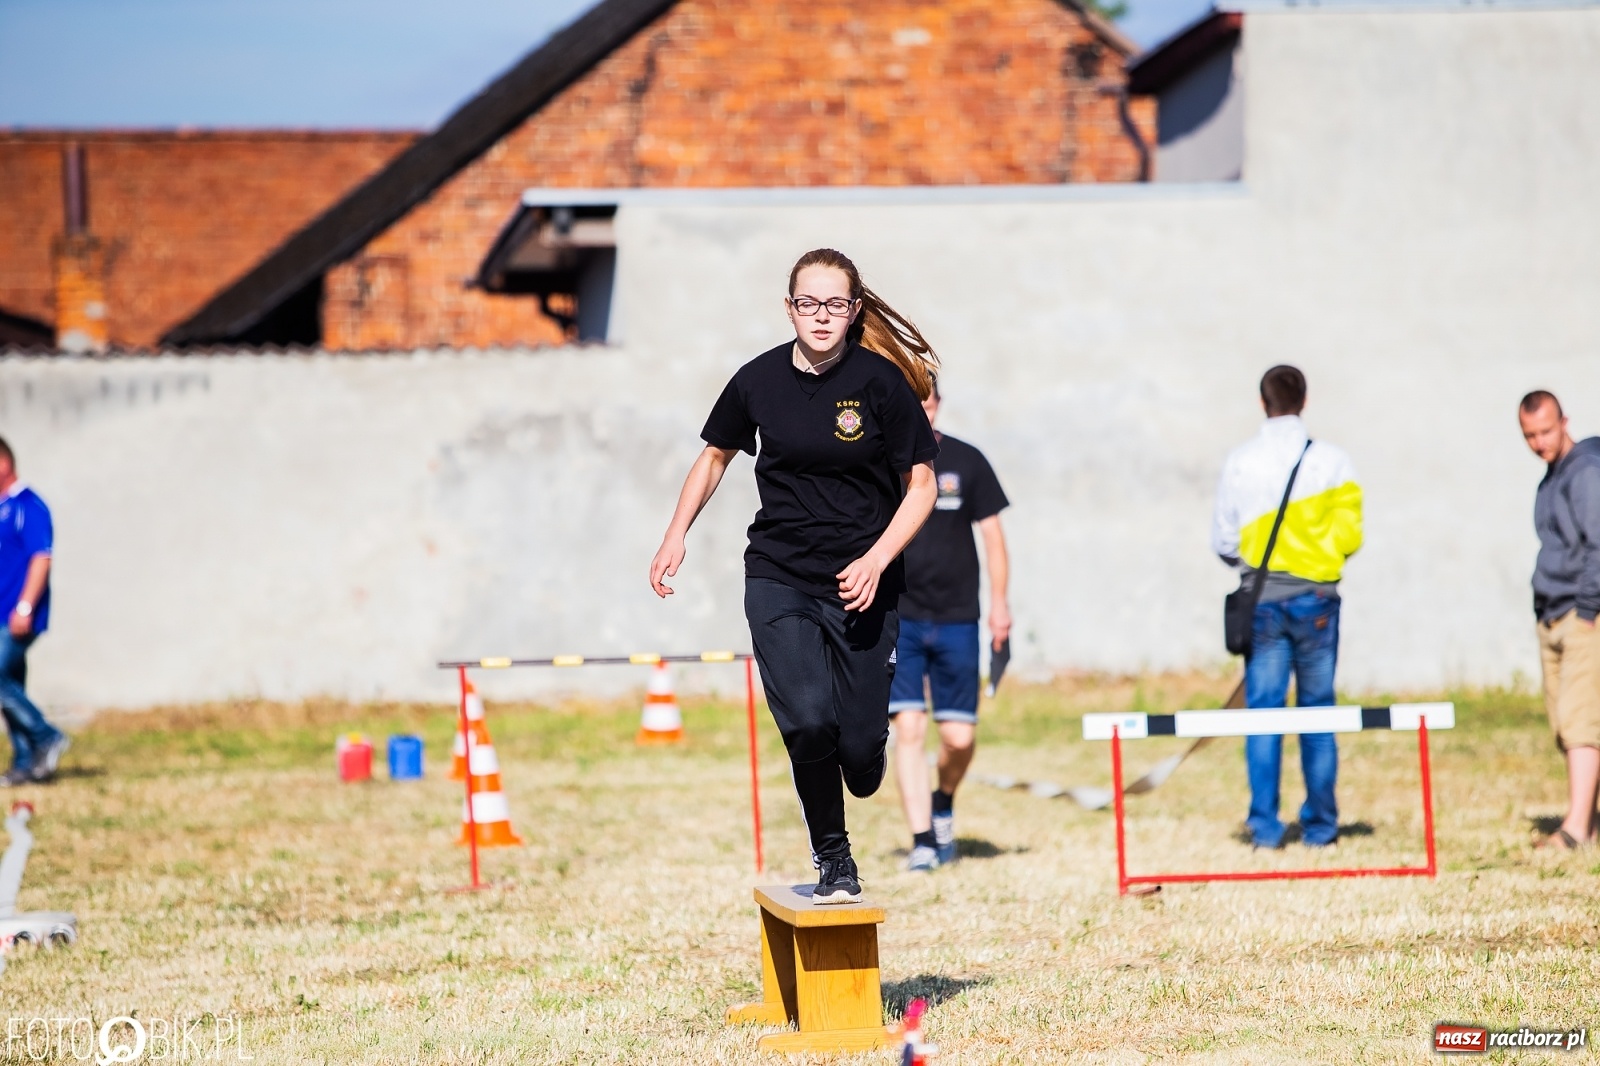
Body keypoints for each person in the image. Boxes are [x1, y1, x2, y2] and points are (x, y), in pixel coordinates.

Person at [649, 248, 939, 903]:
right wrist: (675, 533)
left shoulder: (880, 384)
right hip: (778, 574)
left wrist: (877, 559)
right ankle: (834, 859)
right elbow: (715, 456)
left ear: (854, 310)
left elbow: (921, 486)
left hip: (863, 583)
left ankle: (866, 746)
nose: (822, 316)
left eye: (835, 304)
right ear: (789, 308)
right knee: (808, 721)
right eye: (809, 303)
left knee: (859, 758)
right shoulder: (757, 380)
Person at [1211, 366, 1362, 849]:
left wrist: (1255, 564)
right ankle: (1321, 826)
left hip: (1263, 602)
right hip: (1317, 600)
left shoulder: (1241, 461)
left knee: (1263, 714)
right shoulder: (1333, 461)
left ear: (1263, 402)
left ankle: (1265, 825)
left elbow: (1223, 541)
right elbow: (1351, 537)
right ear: (1305, 400)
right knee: (1318, 712)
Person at [888, 382, 1010, 870]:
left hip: (958, 616)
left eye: (928, 402)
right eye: (913, 402)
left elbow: (994, 538)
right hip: (900, 615)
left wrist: (1000, 605)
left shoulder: (966, 460)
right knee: (909, 727)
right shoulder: (882, 461)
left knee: (958, 738)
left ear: (937, 405)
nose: (922, 410)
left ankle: (943, 802)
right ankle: (922, 842)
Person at [1517, 390, 1600, 850]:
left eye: (1546, 431)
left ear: (1564, 422)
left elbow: (1598, 545)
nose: (1539, 442)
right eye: (1530, 435)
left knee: (1580, 720)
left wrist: (1588, 610)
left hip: (1581, 615)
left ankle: (1575, 829)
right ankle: (1589, 821)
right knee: (1564, 722)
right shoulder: (1551, 478)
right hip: (1552, 614)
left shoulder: (1585, 472)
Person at [0, 437, 69, 786]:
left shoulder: (29, 505)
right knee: (10, 686)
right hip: (2, 614)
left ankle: (47, 736)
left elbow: (41, 558)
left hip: (17, 615)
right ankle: (26, 763)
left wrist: (25, 607)